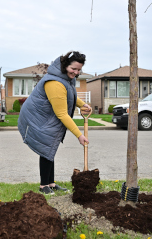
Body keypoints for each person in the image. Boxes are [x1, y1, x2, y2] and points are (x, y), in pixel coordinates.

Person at [18, 51, 92, 195]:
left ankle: (50, 183)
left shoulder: (65, 79)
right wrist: (79, 135)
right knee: (46, 148)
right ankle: (43, 186)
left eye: (79, 70)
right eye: (73, 69)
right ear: (65, 66)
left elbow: (69, 96)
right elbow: (62, 114)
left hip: (46, 116)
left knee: (50, 148)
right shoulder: (55, 82)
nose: (76, 73)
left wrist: (82, 104)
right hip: (37, 118)